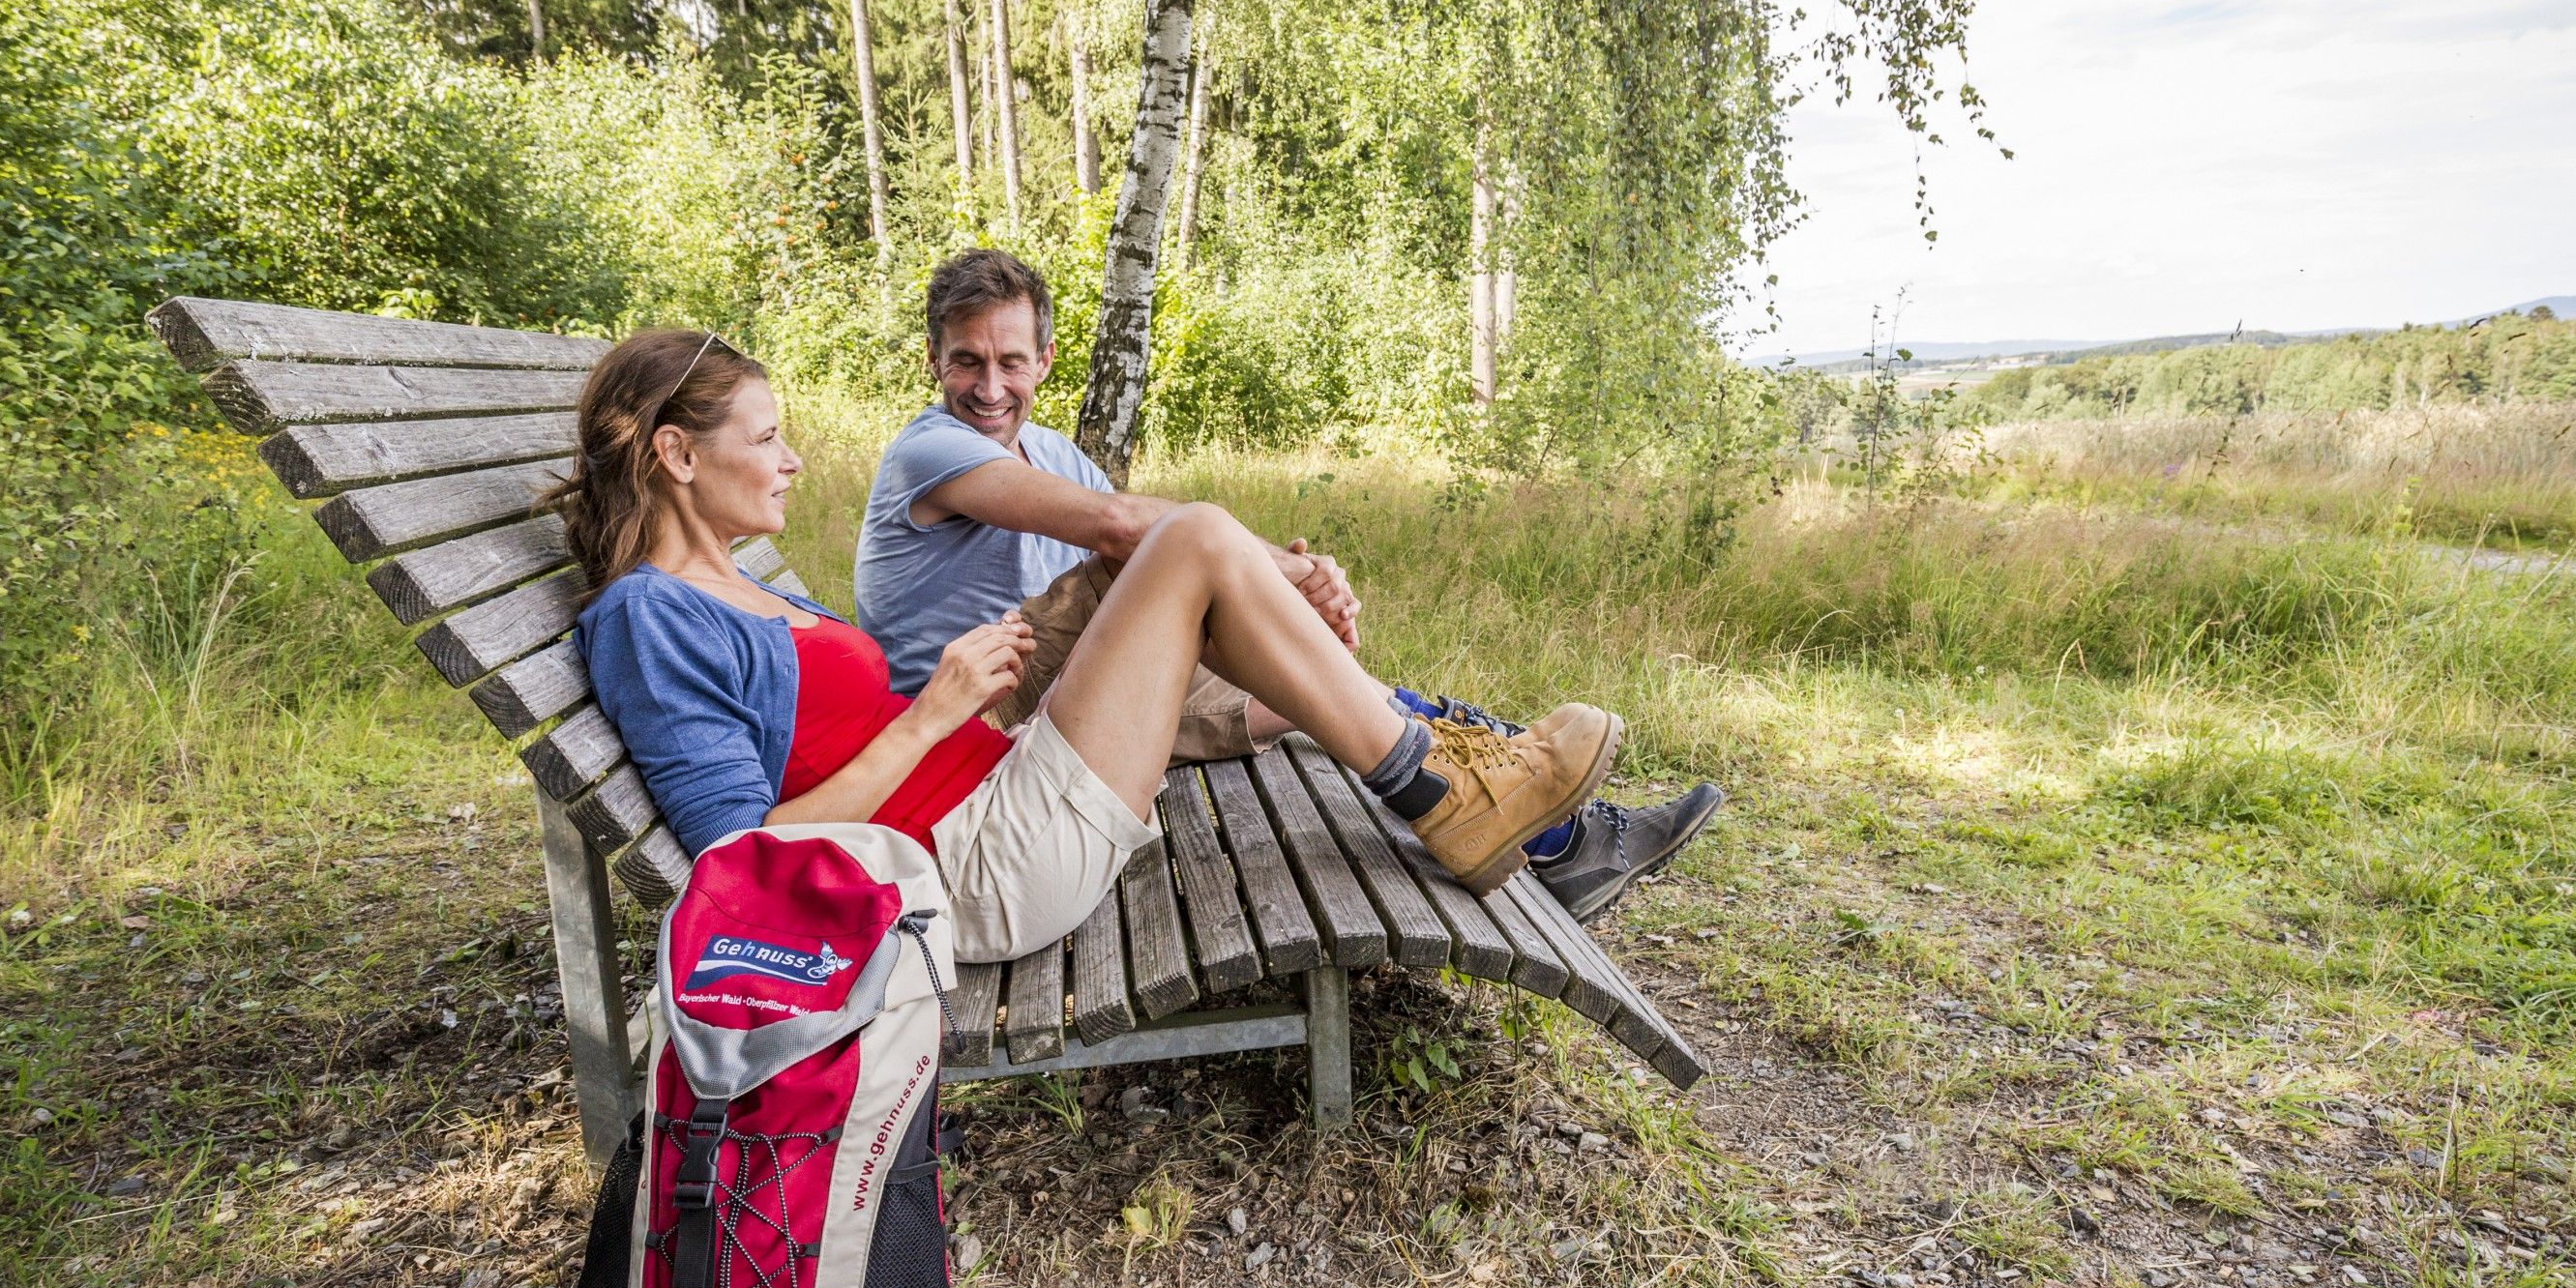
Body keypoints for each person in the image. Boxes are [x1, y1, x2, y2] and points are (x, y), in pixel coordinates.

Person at [561, 329, 1624, 967]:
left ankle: (1449, 764)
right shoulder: (650, 619)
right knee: (1193, 537)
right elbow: (739, 866)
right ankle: (1444, 789)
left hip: (999, 791)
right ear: (677, 455)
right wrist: (931, 716)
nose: (793, 461)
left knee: (1180, 552)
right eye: (765, 439)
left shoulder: (731, 585)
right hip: (980, 869)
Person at [850, 249, 1723, 920]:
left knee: (1319, 688)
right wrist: (1294, 571)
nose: (989, 387)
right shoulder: (930, 450)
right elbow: (1125, 531)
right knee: (1173, 561)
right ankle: (1513, 813)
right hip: (976, 719)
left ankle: (1561, 838)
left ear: (1044, 360)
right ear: (934, 361)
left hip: (1057, 695)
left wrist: (1276, 591)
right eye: (967, 361)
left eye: (1010, 361)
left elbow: (1153, 552)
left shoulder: (1049, 451)